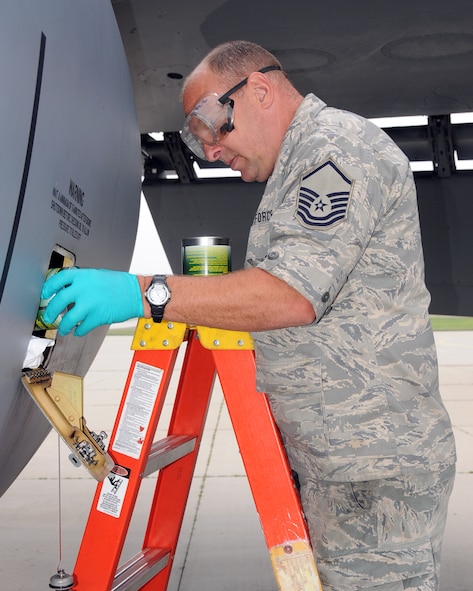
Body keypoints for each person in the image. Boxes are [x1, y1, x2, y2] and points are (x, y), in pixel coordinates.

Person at [42, 40, 456, 591]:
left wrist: (147, 294)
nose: (210, 151)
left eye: (212, 126)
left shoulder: (337, 151)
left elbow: (288, 295)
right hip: (341, 465)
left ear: (258, 89)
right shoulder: (298, 165)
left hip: (372, 469)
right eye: (197, 138)